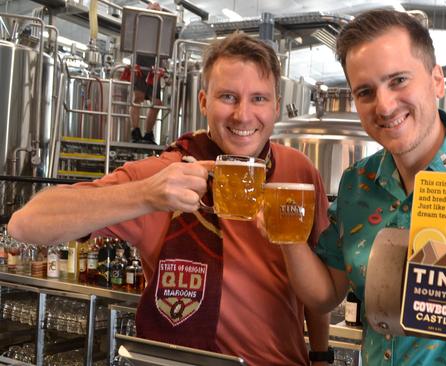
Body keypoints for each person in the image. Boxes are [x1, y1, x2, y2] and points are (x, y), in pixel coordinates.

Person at [8, 33, 331, 366]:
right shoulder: (166, 175)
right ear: (204, 102)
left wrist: (321, 355)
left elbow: (320, 272)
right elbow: (25, 224)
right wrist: (146, 194)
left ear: (277, 106)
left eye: (259, 98)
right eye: (228, 97)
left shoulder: (299, 172)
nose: (243, 115)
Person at [277, 9, 446, 366]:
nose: (384, 105)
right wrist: (282, 231)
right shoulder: (357, 184)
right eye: (365, 92)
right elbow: (325, 295)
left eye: (398, 81)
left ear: (436, 80)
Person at [129, 1, 164, 144]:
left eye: (158, 8)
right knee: (138, 97)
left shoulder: (162, 26)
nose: (155, 8)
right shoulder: (140, 22)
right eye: (153, 7)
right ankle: (135, 131)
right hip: (141, 62)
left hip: (155, 65)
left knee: (157, 102)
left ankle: (148, 133)